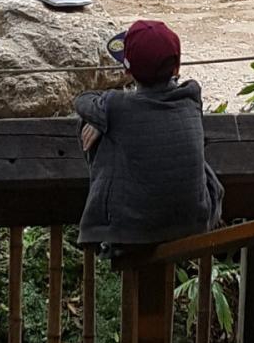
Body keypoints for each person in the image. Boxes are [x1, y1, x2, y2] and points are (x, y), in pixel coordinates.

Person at [75, 19, 224, 257]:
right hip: (195, 221)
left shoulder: (116, 106)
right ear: (176, 68)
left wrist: (100, 120)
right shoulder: (191, 96)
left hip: (132, 231)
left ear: (126, 70)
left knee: (95, 127)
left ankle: (103, 229)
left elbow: (82, 101)